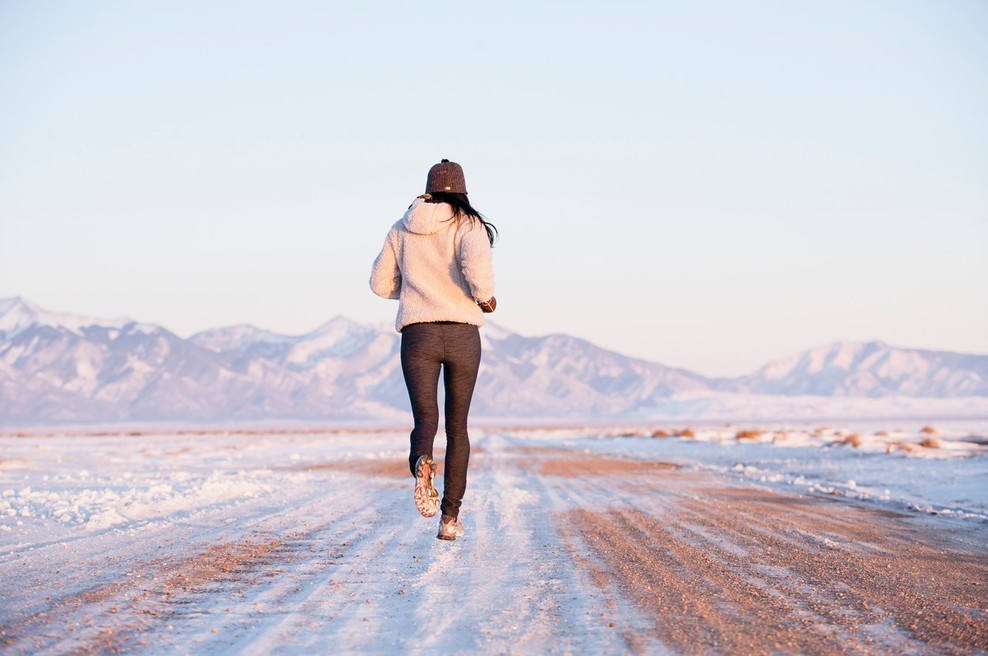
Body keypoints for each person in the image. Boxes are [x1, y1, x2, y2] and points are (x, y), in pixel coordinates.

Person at [370, 159, 497, 541]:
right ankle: (450, 519)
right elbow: (478, 276)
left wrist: (412, 291)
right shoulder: (468, 224)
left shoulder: (401, 227)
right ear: (461, 190)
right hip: (461, 334)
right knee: (458, 429)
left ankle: (422, 460)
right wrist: (486, 300)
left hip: (418, 334)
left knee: (426, 419)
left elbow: (379, 283)